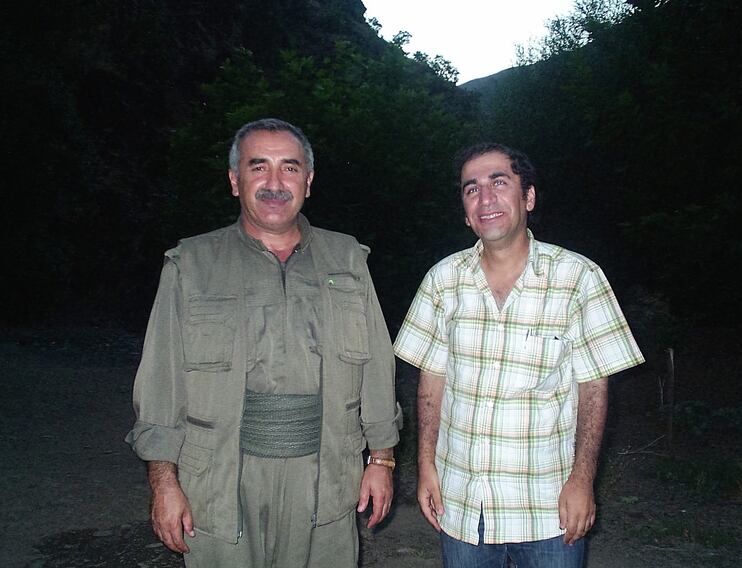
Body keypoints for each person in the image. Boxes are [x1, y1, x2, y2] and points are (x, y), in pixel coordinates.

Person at [125, 118, 402, 567]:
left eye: (290, 168)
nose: (275, 182)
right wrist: (163, 483)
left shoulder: (348, 260)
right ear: (235, 181)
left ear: (308, 183)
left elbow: (376, 369)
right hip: (220, 480)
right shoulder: (191, 265)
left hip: (327, 474)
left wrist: (382, 460)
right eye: (259, 167)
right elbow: (161, 382)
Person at [393, 143, 644, 567]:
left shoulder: (578, 278)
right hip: (464, 502)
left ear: (528, 197)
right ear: (465, 209)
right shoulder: (442, 280)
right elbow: (431, 380)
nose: (485, 198)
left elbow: (594, 387)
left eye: (499, 183)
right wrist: (425, 466)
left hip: (547, 506)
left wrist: (583, 481)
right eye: (471, 189)